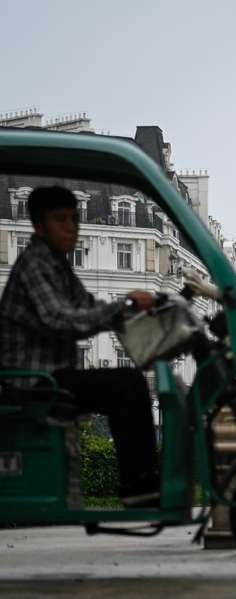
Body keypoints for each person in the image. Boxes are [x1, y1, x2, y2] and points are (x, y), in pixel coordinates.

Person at [0, 186, 160, 507]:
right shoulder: (35, 264)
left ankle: (142, 483)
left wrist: (131, 310)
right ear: (39, 226)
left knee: (127, 383)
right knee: (126, 385)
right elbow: (59, 318)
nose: (72, 227)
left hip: (50, 376)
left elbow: (88, 306)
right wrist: (122, 306)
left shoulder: (59, 266)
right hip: (33, 382)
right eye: (61, 219)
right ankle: (138, 487)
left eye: (74, 218)